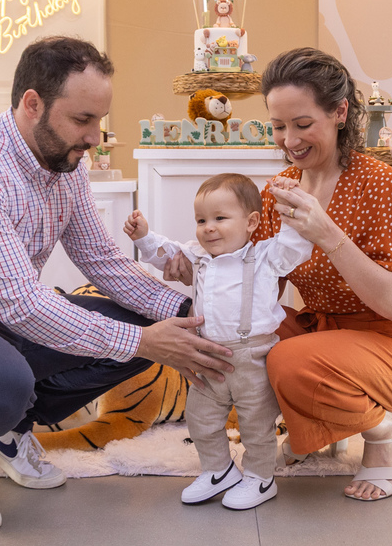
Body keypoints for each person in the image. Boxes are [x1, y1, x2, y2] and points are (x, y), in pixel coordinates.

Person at [0, 36, 234, 534]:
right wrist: (145, 341)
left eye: (99, 120)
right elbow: (23, 306)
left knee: (147, 322)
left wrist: (194, 312)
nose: (95, 136)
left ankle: (9, 429)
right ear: (32, 104)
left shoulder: (65, 161)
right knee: (0, 382)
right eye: (83, 119)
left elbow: (102, 261)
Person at [164, 47, 392, 502]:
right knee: (232, 341)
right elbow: (255, 290)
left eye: (302, 124)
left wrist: (327, 233)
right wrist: (200, 272)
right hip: (325, 336)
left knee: (288, 361)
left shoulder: (380, 184)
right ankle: (314, 429)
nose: (289, 140)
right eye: (278, 126)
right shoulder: (279, 192)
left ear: (339, 113)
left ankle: (389, 435)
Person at [123, 173, 313, 510]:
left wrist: (287, 208)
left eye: (220, 219)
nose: (208, 228)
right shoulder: (199, 257)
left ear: (251, 222)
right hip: (209, 357)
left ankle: (260, 478)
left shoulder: (265, 256)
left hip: (253, 356)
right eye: (201, 220)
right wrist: (144, 237)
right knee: (200, 418)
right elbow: (167, 254)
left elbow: (295, 247)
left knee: (256, 424)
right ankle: (218, 470)